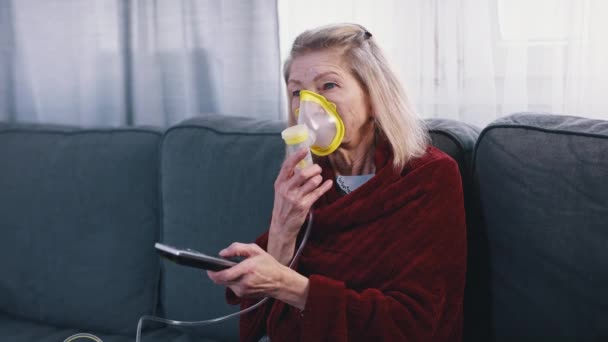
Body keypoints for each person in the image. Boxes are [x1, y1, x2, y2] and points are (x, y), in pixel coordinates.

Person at [208, 23, 467, 342]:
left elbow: (416, 325)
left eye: (328, 85)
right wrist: (281, 232)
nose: (309, 106)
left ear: (374, 97)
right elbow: (258, 327)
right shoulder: (305, 183)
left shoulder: (428, 177)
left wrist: (286, 284)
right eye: (297, 92)